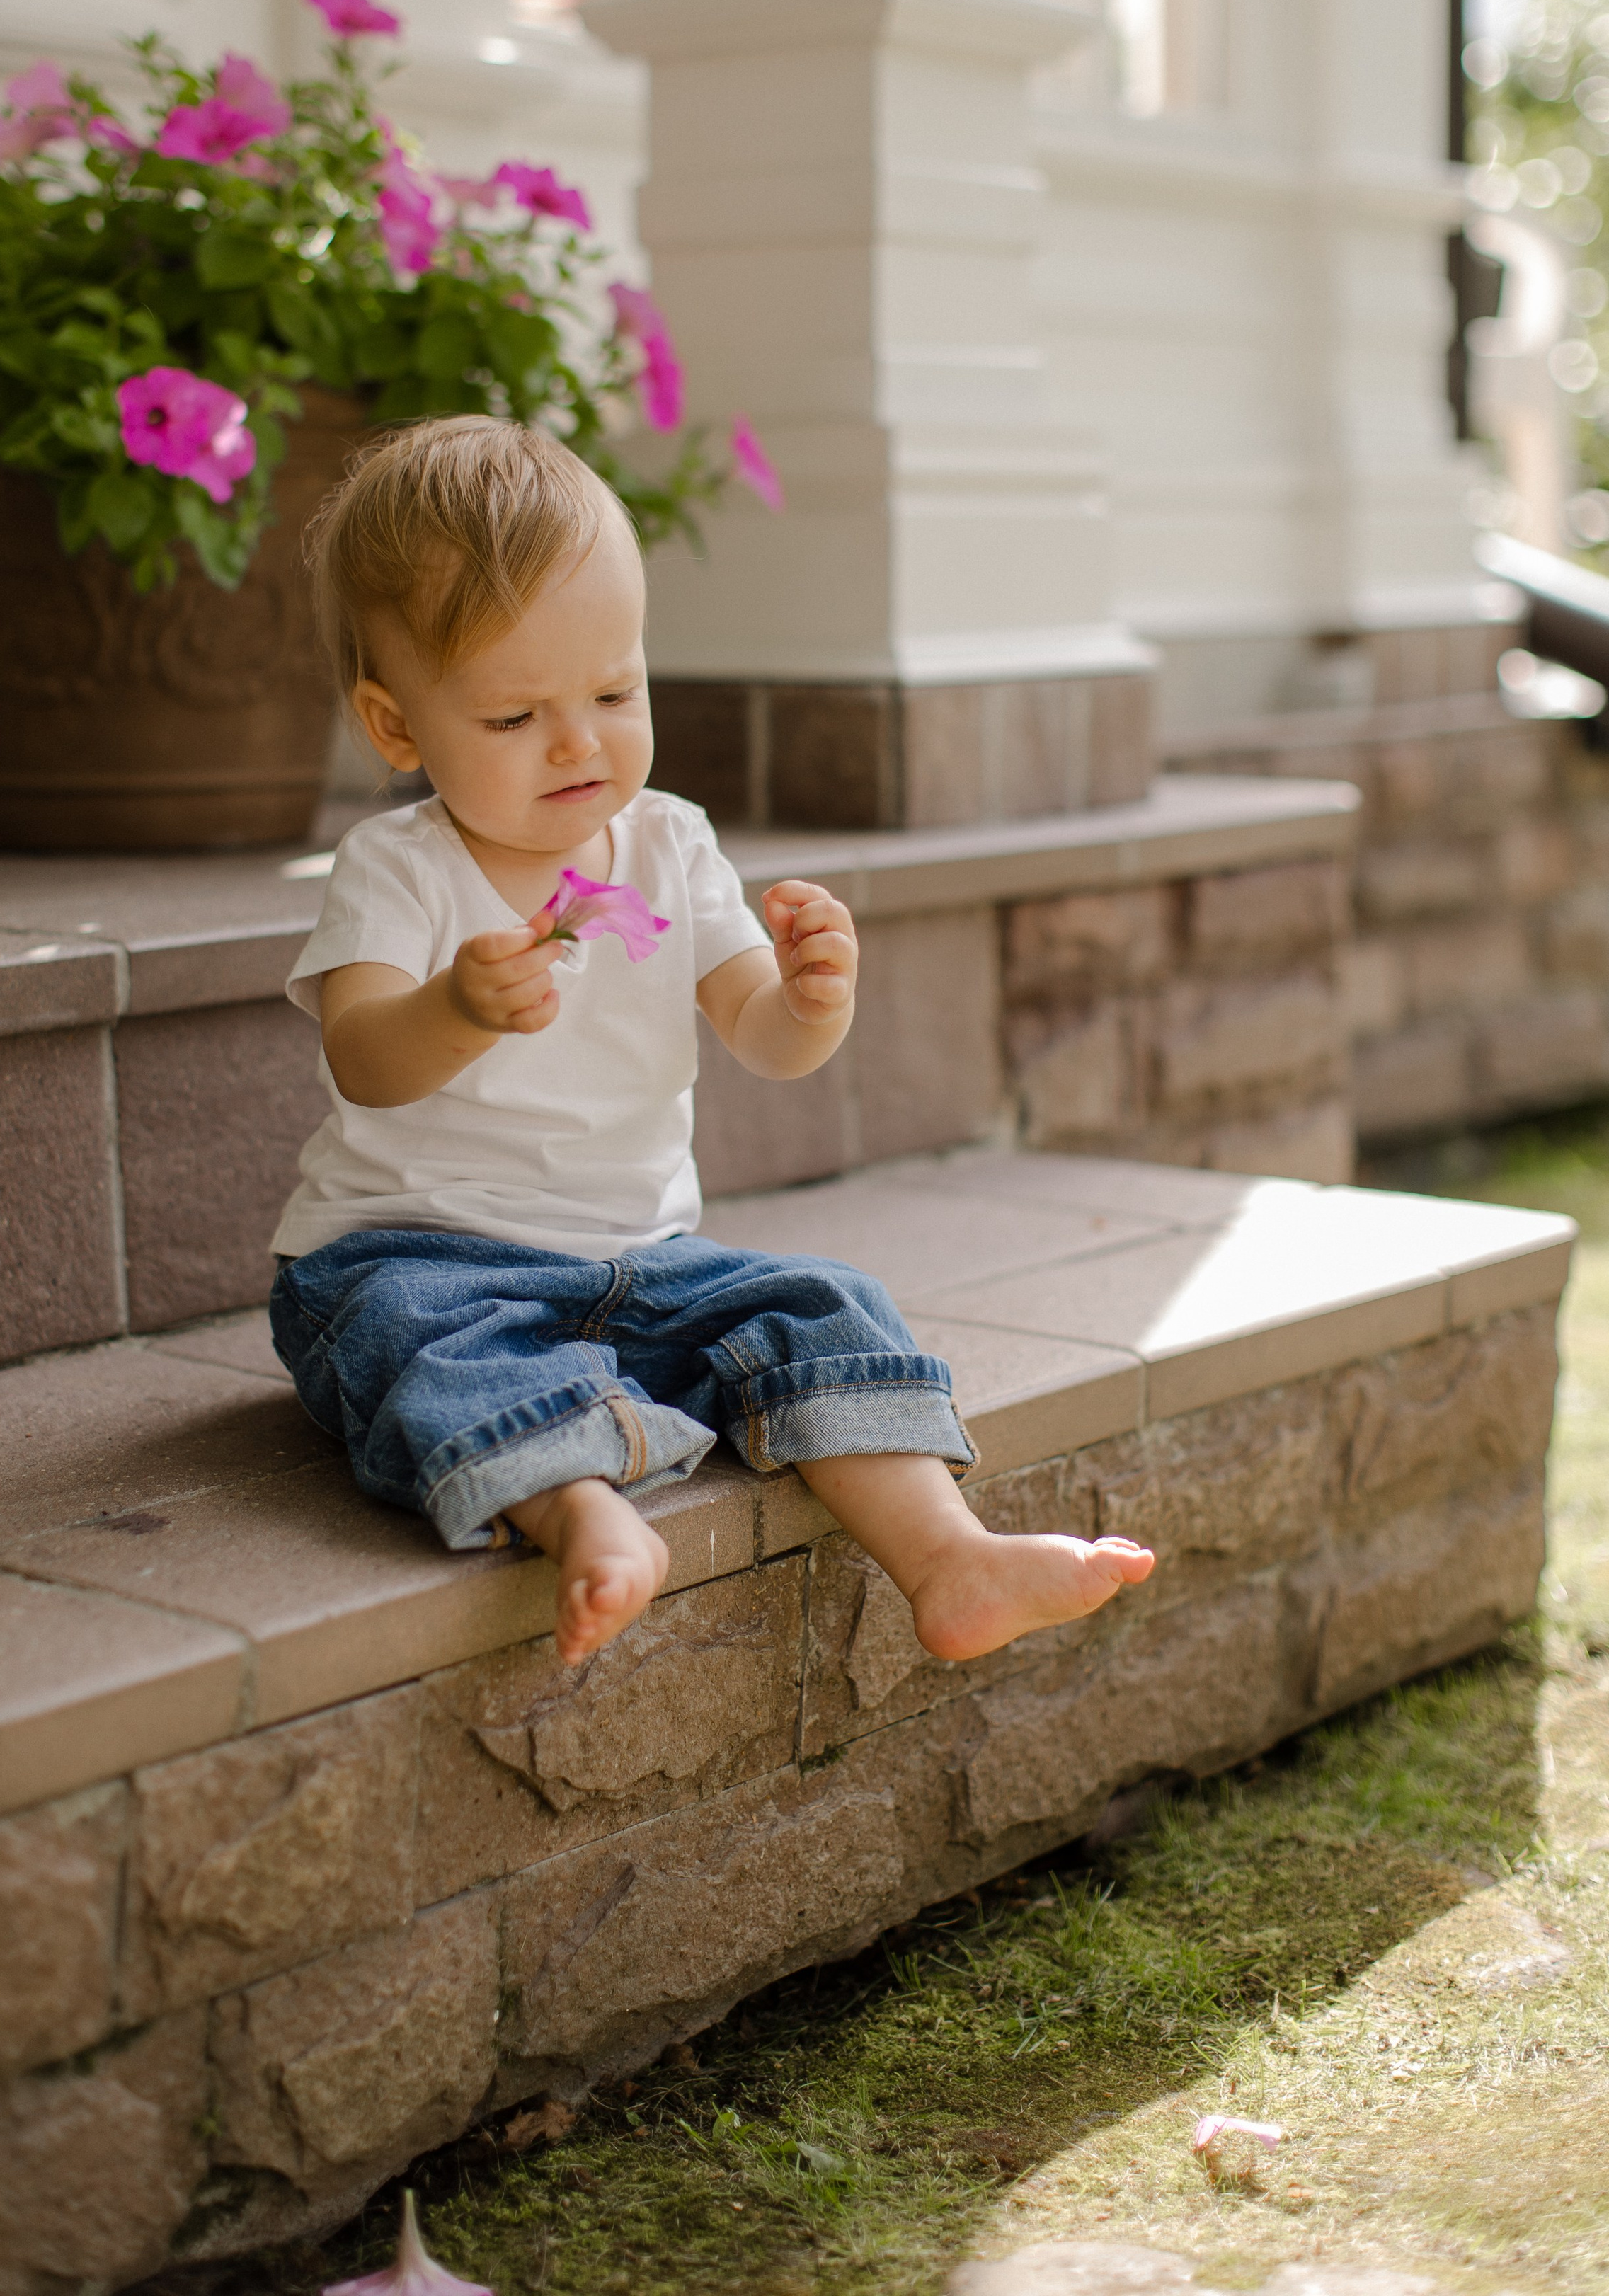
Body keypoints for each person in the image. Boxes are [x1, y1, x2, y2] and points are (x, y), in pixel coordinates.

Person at [271, 416, 1155, 1665]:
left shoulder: (671, 843)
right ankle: (587, 1517)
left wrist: (810, 998)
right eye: (516, 715)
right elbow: (363, 1059)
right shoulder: (396, 869)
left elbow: (762, 1034)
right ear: (397, 726)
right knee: (426, 1348)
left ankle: (948, 1557)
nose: (580, 742)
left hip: (643, 1262)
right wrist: (455, 1011)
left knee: (820, 1304)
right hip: (418, 1257)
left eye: (614, 693)